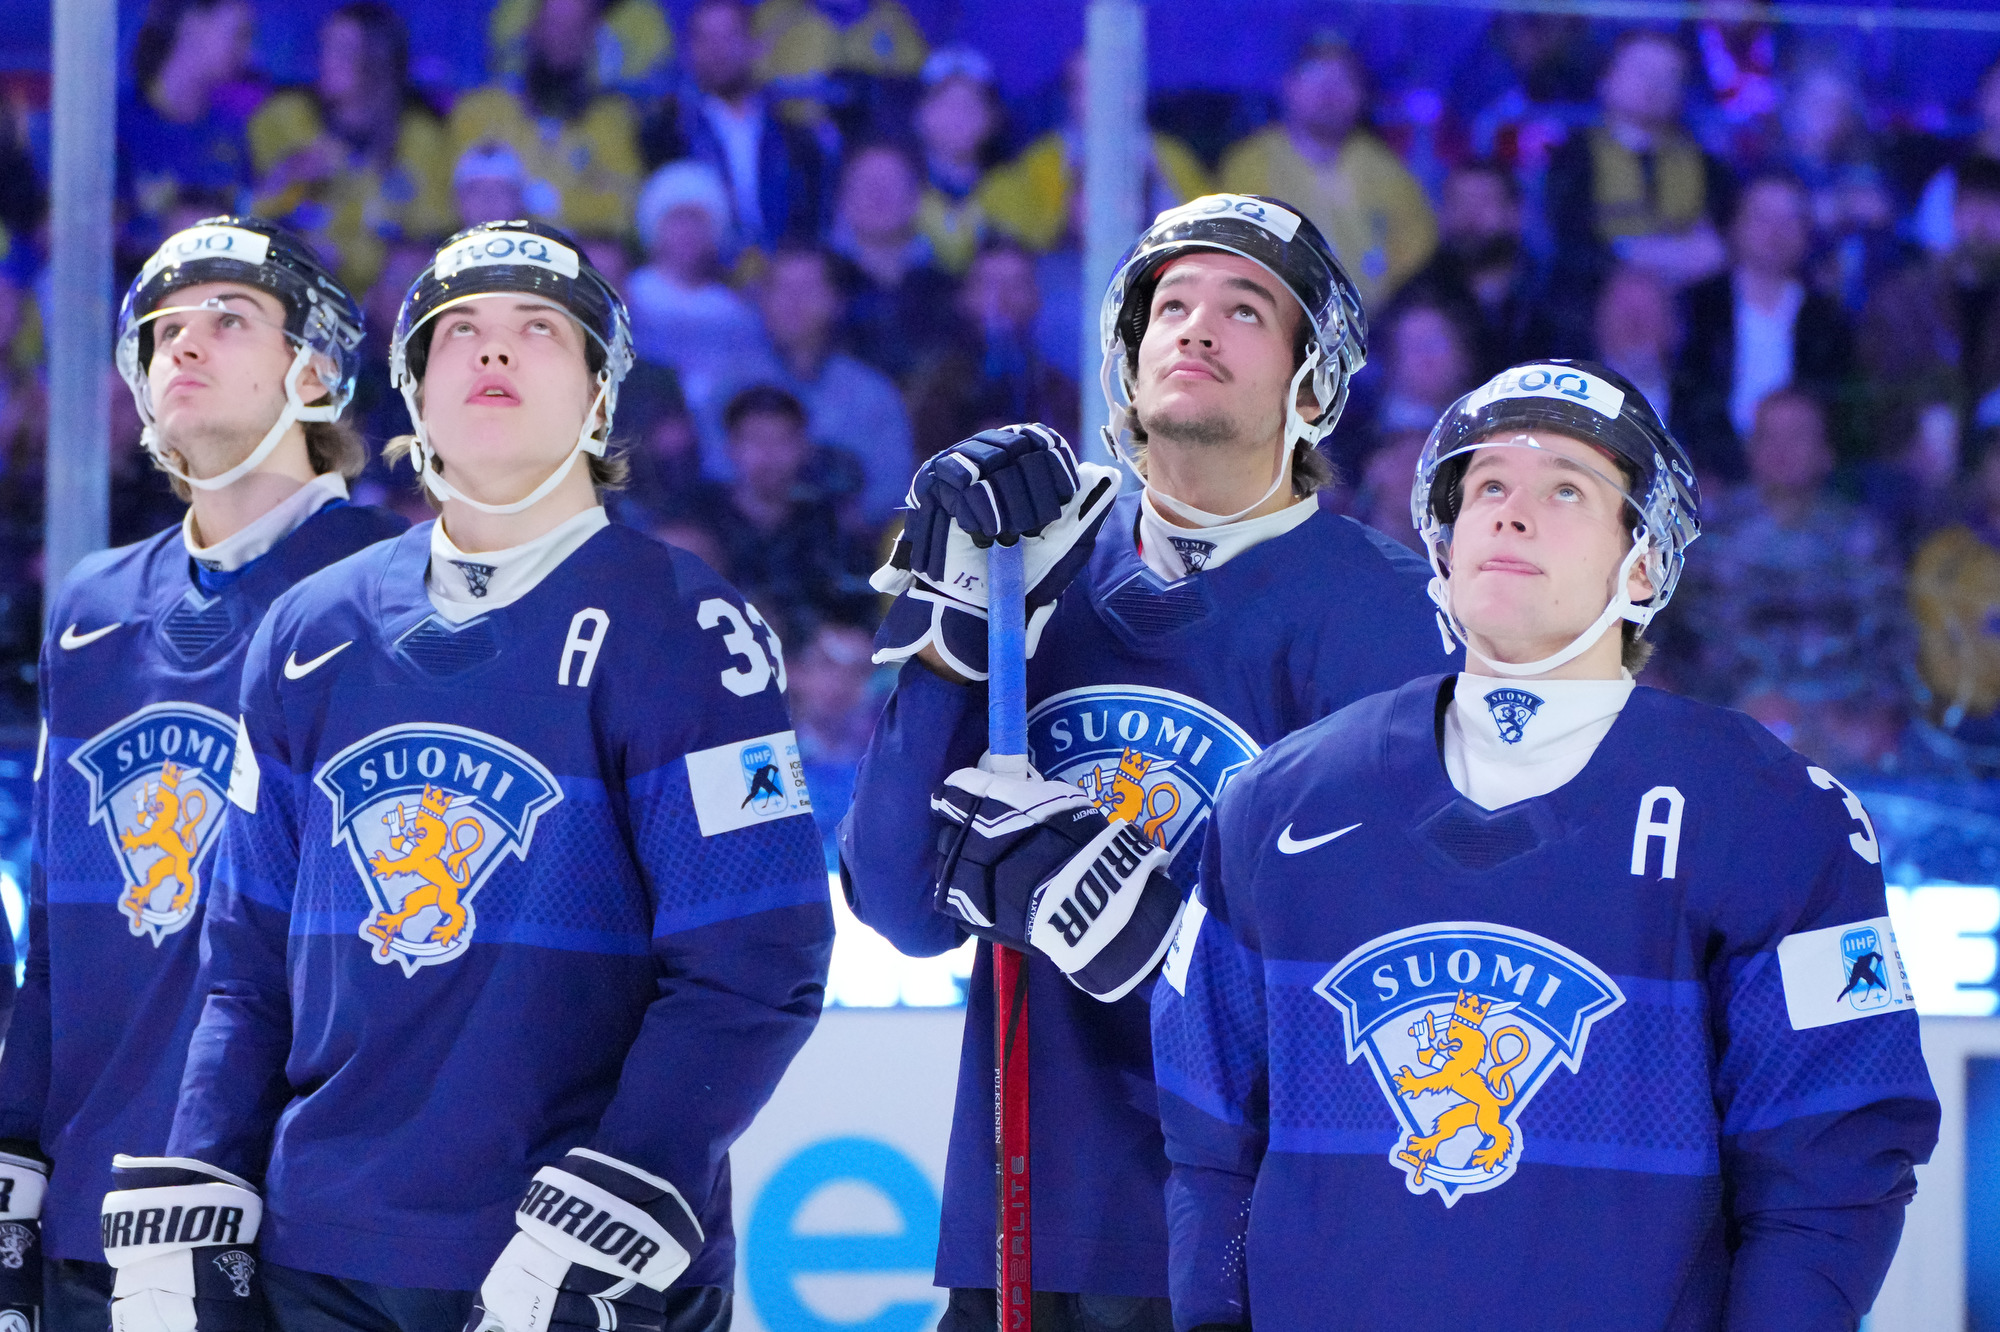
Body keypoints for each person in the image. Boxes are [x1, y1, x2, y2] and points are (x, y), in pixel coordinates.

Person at [106, 221, 833, 1332]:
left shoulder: (690, 628)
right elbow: (247, 967)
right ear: (413, 390)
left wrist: (628, 1183)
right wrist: (204, 1168)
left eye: (538, 329)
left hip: (578, 1255)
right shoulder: (307, 629)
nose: (492, 349)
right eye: (459, 332)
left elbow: (757, 964)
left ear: (600, 394)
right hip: (320, 1253)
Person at [1151, 358, 1939, 1329]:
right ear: (1443, 547)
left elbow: (1829, 1173)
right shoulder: (1273, 804)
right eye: (1486, 486)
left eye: (1565, 489)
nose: (1510, 514)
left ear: (1642, 563)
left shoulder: (1773, 817)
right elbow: (1209, 1144)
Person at [841, 193, 1454, 1330]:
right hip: (1016, 1234)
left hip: (1245, 1254)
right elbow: (898, 906)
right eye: (1170, 306)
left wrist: (1164, 943)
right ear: (1126, 363)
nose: (1196, 327)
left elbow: (1404, 972)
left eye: (1245, 309)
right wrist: (952, 635)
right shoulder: (1034, 574)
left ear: (1312, 384)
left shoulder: (1391, 616)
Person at [0, 216, 404, 1331]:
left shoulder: (401, 587)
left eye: (229, 319)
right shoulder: (91, 609)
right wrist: (17, 1146)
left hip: (300, 1220)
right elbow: (60, 927)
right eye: (164, 329)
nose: (182, 343)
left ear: (314, 371)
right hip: (97, 1206)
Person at [1668, 387, 1908, 770]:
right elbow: (1685, 645)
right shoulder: (1709, 536)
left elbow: (1891, 642)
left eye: (1798, 436)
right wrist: (1742, 704)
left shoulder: (1861, 537)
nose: (1782, 450)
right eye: (1769, 436)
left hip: (1841, 717)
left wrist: (1876, 717)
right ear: (1751, 450)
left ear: (1826, 453)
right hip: (1736, 714)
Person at [245, 3, 454, 293]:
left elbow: (433, 233)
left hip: (385, 295)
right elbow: (253, 213)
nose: (326, 60)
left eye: (343, 50)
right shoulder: (286, 119)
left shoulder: (419, 138)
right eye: (325, 46)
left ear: (379, 60)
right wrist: (289, 176)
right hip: (299, 283)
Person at [1219, 35, 1438, 307]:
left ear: (1362, 94)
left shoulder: (1389, 172)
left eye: (1344, 80)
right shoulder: (1249, 164)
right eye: (1314, 77)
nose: (1329, 92)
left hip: (1370, 325)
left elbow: (1416, 261)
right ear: (1288, 86)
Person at [1675, 172, 1859, 480]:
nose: (1776, 232)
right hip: (1707, 472)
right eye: (1762, 218)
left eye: (1790, 220)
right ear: (1735, 226)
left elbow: (1835, 408)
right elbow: (1686, 397)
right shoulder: (1697, 308)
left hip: (1801, 477)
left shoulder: (1827, 320)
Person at [639, 0, 834, 256]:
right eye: (706, 39)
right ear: (689, 50)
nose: (718, 50)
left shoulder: (793, 135)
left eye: (729, 37)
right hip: (703, 268)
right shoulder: (665, 131)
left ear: (754, 46)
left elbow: (812, 216)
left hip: (782, 262)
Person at [1545, 29, 1734, 290]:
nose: (1652, 85)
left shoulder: (1710, 167)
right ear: (1607, 79)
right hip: (1591, 295)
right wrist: (1629, 254)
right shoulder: (1572, 159)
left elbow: (1724, 243)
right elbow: (1564, 241)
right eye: (1640, 71)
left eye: (1667, 76)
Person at [446, 0, 646, 236]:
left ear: (592, 39)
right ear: (531, 30)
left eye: (575, 29)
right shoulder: (479, 111)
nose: (561, 41)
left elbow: (625, 206)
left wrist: (556, 205)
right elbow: (453, 199)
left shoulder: (611, 121)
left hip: (577, 251)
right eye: (554, 26)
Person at [682, 383, 874, 623]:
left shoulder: (827, 525)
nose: (769, 455)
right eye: (755, 440)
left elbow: (858, 608)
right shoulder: (699, 517)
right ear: (731, 448)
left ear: (804, 448)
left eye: (782, 441)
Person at [907, 239, 1080, 461]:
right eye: (988, 285)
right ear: (963, 297)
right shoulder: (933, 385)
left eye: (1016, 285)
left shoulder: (1057, 390)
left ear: (1035, 297)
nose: (1001, 299)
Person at [1402, 159, 1575, 380]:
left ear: (1514, 214)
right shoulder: (1416, 298)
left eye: (1484, 202)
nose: (1470, 216)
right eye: (1458, 203)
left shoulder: (1554, 294)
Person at [119, 0, 260, 264]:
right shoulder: (120, 125)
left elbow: (246, 214)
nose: (249, 53)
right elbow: (74, 230)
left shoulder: (231, 132)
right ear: (192, 23)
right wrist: (167, 233)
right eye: (240, 34)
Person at [625, 159, 766, 418]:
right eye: (677, 220)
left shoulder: (732, 309)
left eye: (698, 221)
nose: (687, 232)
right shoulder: (629, 297)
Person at [829, 141, 961, 383]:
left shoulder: (949, 289)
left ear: (917, 198)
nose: (878, 194)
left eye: (891, 184)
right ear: (842, 197)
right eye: (866, 183)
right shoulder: (819, 283)